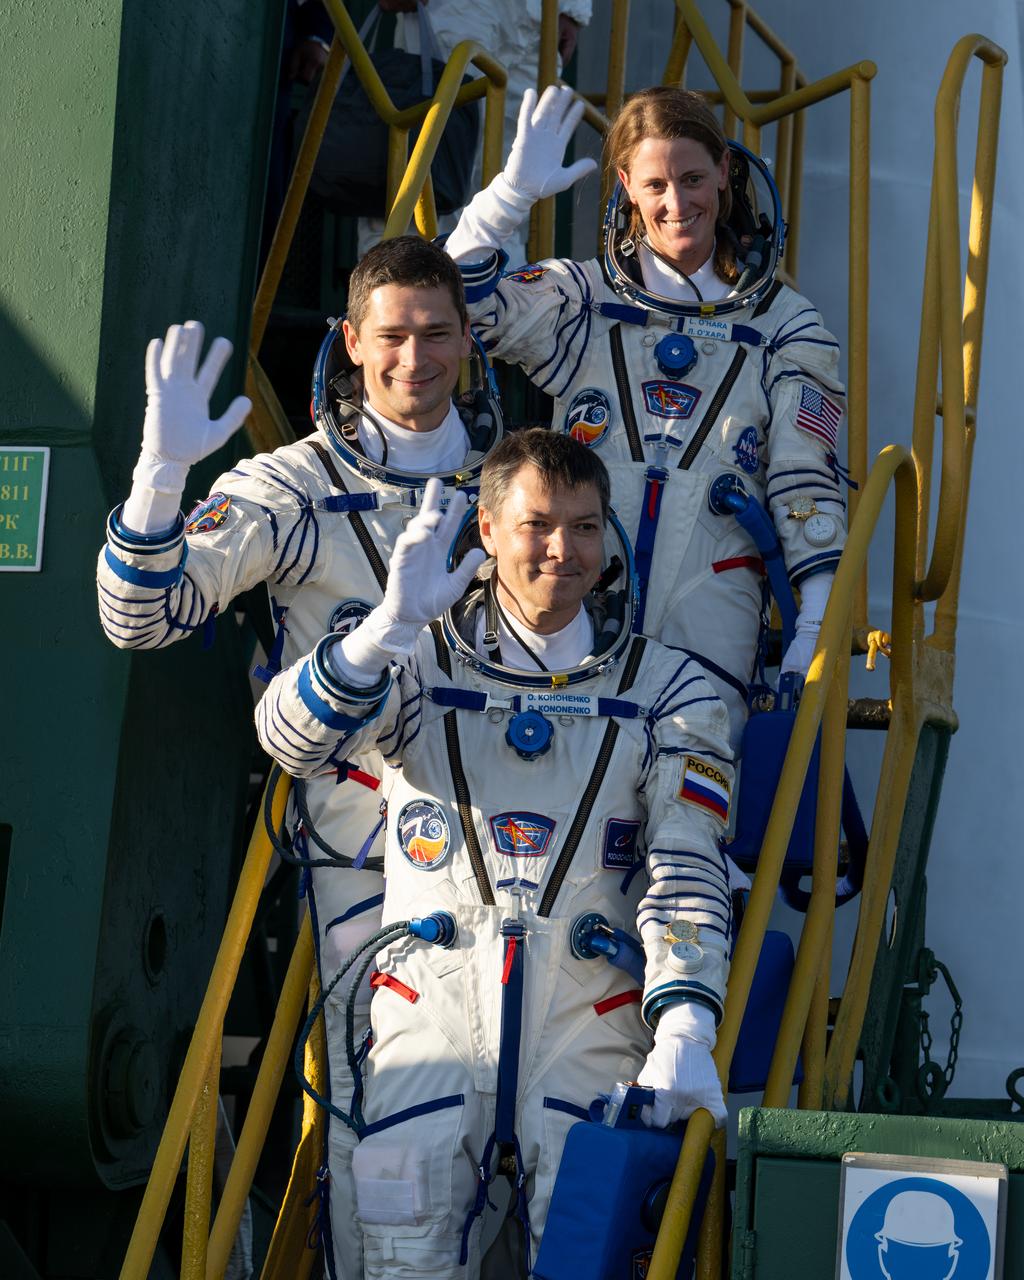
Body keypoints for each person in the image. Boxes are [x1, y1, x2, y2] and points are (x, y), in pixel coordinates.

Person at [95, 235, 503, 1280]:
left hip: (522, 840)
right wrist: (161, 476)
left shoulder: (519, 483)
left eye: (437, 334)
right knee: (394, 1118)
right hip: (366, 847)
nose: (415, 360)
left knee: (533, 1127)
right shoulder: (293, 485)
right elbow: (143, 617)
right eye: (393, 337)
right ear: (351, 342)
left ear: (469, 338)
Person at [256, 429, 735, 1278]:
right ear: (485, 530)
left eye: (586, 527)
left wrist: (686, 1024)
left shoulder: (670, 689)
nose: (564, 549)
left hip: (591, 1023)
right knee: (404, 1256)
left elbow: (687, 856)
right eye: (538, 525)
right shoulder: (417, 664)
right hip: (428, 1019)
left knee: (593, 1258)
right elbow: (287, 739)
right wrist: (384, 631)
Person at [444, 84, 849, 746]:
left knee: (691, 780)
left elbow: (807, 483)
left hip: (712, 603)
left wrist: (813, 631)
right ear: (627, 185)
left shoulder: (784, 325)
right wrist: (508, 198)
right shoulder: (583, 301)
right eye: (656, 183)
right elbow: (452, 305)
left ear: (724, 172)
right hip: (573, 583)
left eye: (693, 178)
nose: (677, 203)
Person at [361, 0, 592, 266]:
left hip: (539, 14)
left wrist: (574, 10)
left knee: (513, 170)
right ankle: (407, 282)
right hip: (457, 9)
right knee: (437, 160)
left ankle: (495, 291)